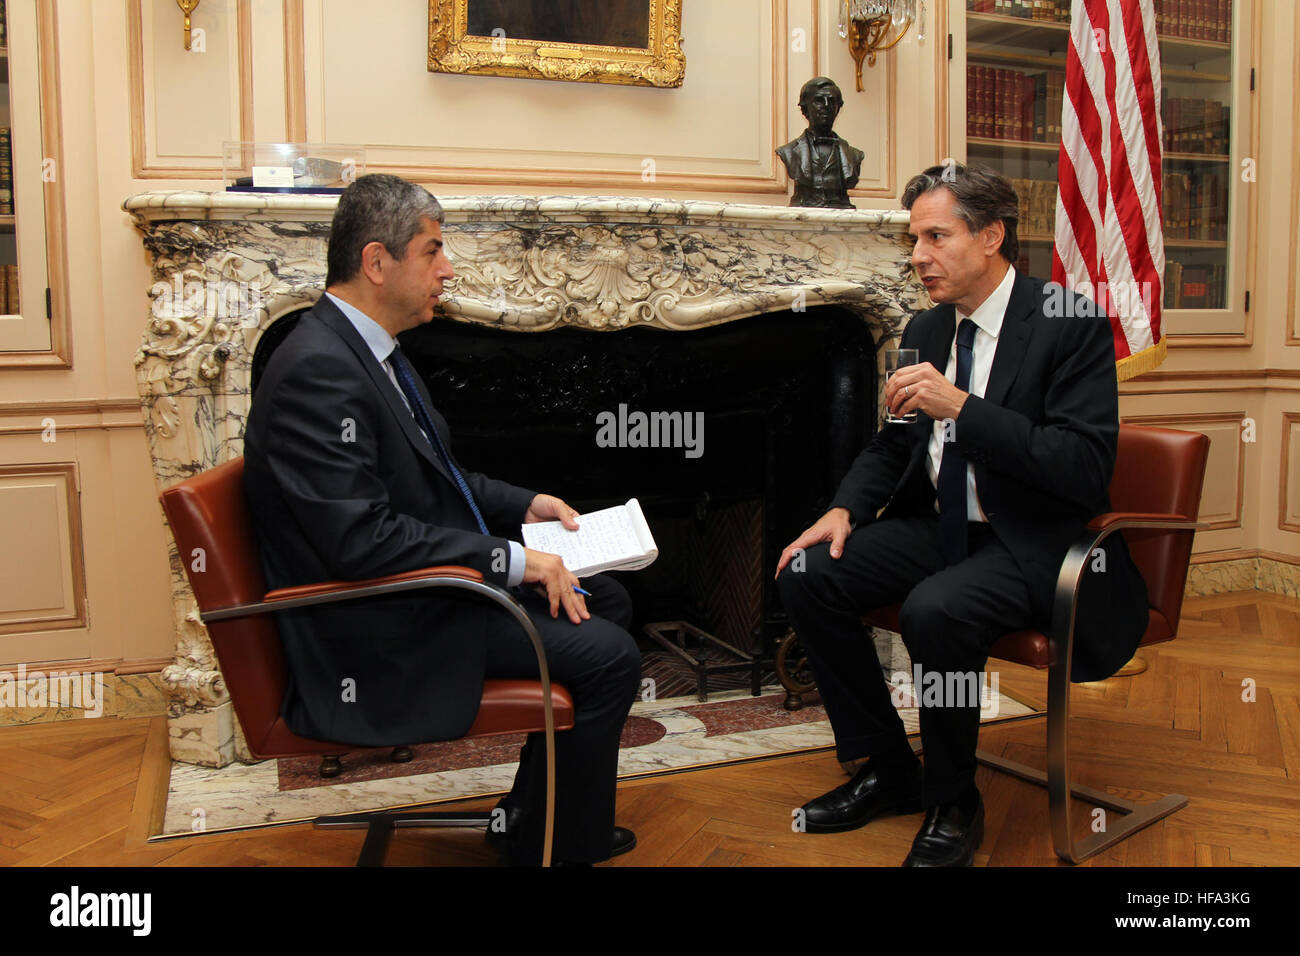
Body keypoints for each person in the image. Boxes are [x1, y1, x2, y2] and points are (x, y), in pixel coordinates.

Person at [242, 173, 641, 866]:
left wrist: (527, 506)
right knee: (608, 656)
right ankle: (561, 845)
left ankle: (533, 815)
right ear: (376, 262)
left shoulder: (367, 351)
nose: (447, 269)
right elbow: (361, 543)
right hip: (376, 623)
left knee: (604, 595)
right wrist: (517, 561)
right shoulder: (320, 371)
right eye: (432, 251)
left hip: (417, 591)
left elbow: (438, 478)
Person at [775, 163, 1148, 866]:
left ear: (992, 235)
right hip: (942, 527)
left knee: (934, 611)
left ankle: (954, 799)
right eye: (914, 238)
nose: (918, 255)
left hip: (1034, 539)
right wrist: (842, 509)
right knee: (807, 574)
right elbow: (894, 445)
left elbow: (1081, 467)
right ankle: (889, 769)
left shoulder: (1070, 324)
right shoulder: (927, 325)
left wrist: (964, 410)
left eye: (936, 236)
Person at [776, 76, 866, 208]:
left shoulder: (854, 155)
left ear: (838, 108)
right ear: (805, 108)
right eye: (818, 101)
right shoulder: (789, 151)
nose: (826, 106)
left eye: (831, 101)